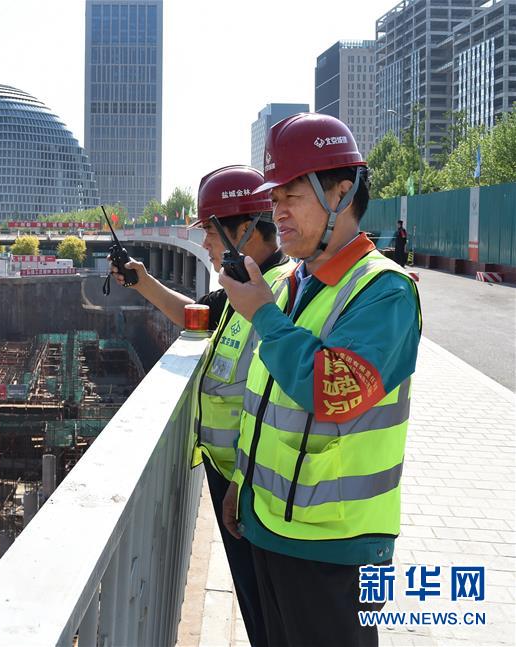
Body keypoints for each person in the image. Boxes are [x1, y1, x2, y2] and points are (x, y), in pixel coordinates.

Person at [218, 113, 422, 647]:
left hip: (335, 547)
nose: (277, 211)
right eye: (274, 197)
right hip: (269, 526)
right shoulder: (289, 282)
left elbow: (332, 392)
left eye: (292, 195)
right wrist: (244, 482)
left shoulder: (385, 293)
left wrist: (263, 314)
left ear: (342, 191)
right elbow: (261, 402)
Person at [111, 165, 295, 647]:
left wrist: (244, 478)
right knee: (258, 608)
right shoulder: (239, 288)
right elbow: (192, 314)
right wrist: (142, 281)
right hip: (230, 475)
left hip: (255, 485)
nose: (207, 245)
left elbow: (282, 399)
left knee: (271, 610)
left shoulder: (278, 293)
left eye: (212, 233)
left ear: (247, 231)